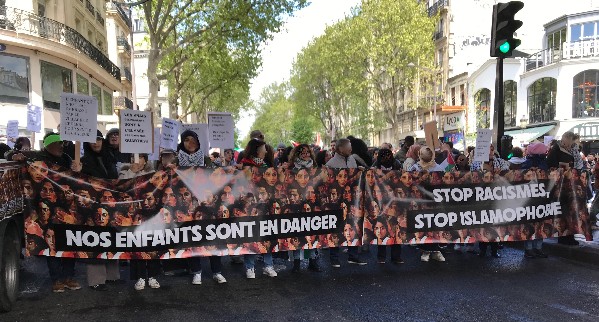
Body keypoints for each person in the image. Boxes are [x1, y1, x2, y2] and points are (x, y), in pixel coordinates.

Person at [178, 130, 227, 284]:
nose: (190, 142)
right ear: (182, 142)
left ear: (198, 142)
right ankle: (196, 271)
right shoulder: (176, 159)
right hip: (188, 207)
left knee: (213, 236)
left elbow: (216, 176)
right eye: (187, 139)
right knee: (193, 238)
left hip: (207, 204)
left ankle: (217, 271)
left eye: (193, 139)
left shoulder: (206, 160)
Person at [81, 130, 121, 291]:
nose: (96, 143)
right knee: (95, 241)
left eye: (98, 139)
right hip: (93, 208)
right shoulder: (83, 161)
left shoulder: (110, 157)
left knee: (111, 240)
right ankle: (96, 279)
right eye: (92, 140)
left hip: (110, 206)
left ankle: (112, 276)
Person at [325, 138, 366, 267]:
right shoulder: (331, 163)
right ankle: (334, 258)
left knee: (353, 227)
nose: (351, 149)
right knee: (336, 229)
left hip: (353, 200)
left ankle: (353, 256)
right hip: (337, 202)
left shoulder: (352, 159)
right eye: (348, 147)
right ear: (340, 148)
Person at [240, 139, 278, 278]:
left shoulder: (266, 165)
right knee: (251, 236)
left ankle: (268, 265)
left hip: (265, 207)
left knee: (266, 235)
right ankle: (250, 267)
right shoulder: (245, 165)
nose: (266, 151)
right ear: (257, 150)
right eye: (263, 148)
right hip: (250, 208)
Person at [287, 144, 321, 272]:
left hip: (311, 205)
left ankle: (313, 261)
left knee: (312, 233)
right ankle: (296, 262)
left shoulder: (315, 168)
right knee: (297, 233)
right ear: (297, 154)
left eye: (307, 152)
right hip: (296, 205)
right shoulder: (291, 168)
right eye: (302, 152)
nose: (305, 154)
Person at [546, 131, 581, 246]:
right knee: (564, 211)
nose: (569, 145)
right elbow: (550, 165)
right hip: (560, 185)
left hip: (570, 184)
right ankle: (564, 236)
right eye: (569, 142)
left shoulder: (573, 149)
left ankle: (570, 235)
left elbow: (579, 164)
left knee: (571, 211)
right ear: (565, 139)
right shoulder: (556, 149)